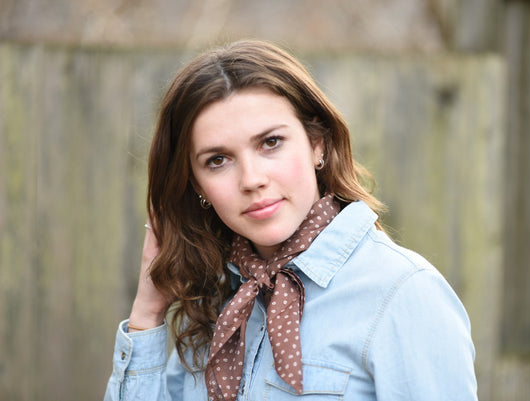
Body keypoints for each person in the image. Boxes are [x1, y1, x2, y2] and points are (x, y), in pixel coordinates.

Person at [104, 39, 477, 401]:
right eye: (217, 160)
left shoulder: (403, 295)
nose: (251, 180)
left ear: (318, 143)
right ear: (196, 184)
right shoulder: (211, 305)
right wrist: (147, 313)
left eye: (270, 143)